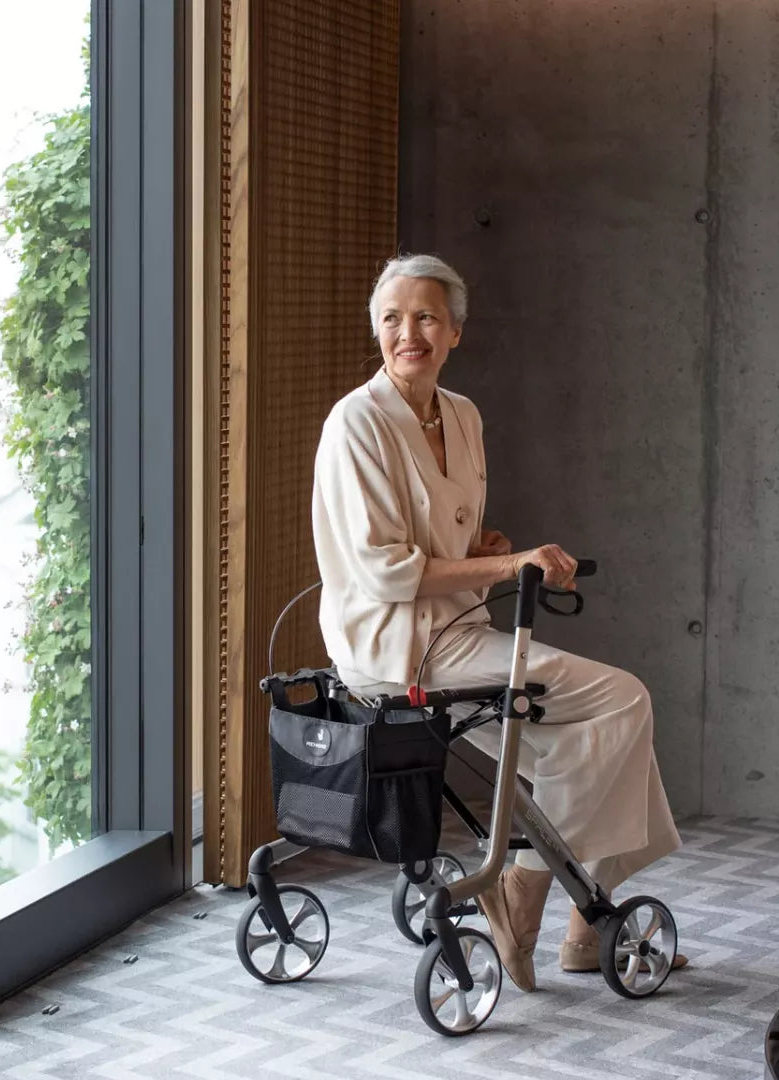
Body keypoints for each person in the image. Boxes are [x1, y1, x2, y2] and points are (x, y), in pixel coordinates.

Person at [311, 253, 686, 992]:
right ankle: (528, 893)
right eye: (391, 318)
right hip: (397, 648)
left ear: (455, 330)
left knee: (582, 743)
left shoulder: (463, 414)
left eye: (424, 316)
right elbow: (386, 569)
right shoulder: (357, 422)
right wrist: (511, 564)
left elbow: (449, 541)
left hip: (455, 632)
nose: (406, 332)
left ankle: (584, 926)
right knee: (622, 701)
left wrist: (486, 550)